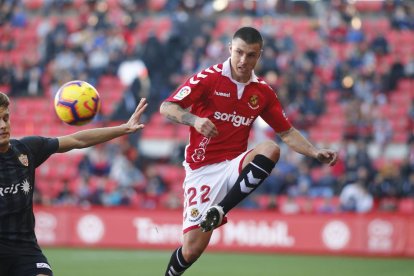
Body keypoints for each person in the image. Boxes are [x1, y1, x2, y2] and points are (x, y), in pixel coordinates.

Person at [159, 26, 338, 275]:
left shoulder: (263, 92)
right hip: (202, 170)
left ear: (259, 55)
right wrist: (194, 120)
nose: (243, 60)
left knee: (270, 148)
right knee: (191, 251)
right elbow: (167, 107)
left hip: (235, 165)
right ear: (230, 49)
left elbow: (286, 132)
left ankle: (220, 209)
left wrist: (314, 152)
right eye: (239, 52)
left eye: (251, 55)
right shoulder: (209, 78)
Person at [0, 92, 147, 276]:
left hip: (25, 252)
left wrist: (123, 129)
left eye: (5, 118)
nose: (3, 125)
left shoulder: (26, 149)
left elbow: (77, 140)